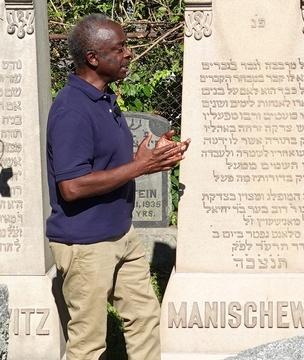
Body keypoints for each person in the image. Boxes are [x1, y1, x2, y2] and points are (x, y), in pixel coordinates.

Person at [45, 14, 190, 360]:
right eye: (120, 48)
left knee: (144, 320)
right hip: (86, 246)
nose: (128, 54)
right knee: (88, 345)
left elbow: (109, 165)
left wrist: (146, 156)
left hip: (122, 236)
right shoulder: (71, 109)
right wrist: (140, 167)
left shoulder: (105, 100)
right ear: (93, 58)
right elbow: (72, 186)